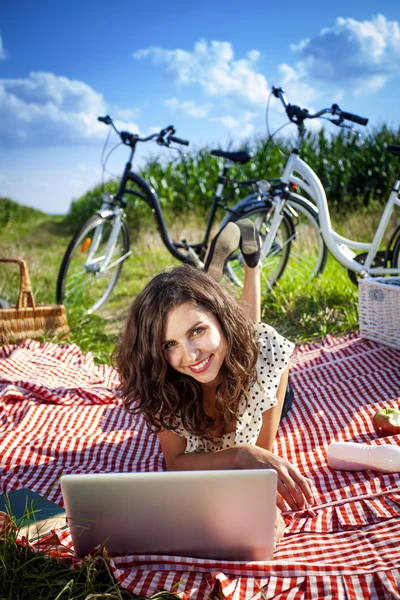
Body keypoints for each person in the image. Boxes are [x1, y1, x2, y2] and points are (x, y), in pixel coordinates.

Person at [116, 220, 314, 540]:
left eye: (196, 331)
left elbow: (262, 459)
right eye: (170, 344)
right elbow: (176, 463)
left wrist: (263, 502)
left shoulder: (269, 358)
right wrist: (237, 455)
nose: (190, 355)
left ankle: (251, 266)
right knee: (227, 339)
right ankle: (211, 285)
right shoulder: (162, 382)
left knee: (249, 337)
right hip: (218, 356)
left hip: (254, 379)